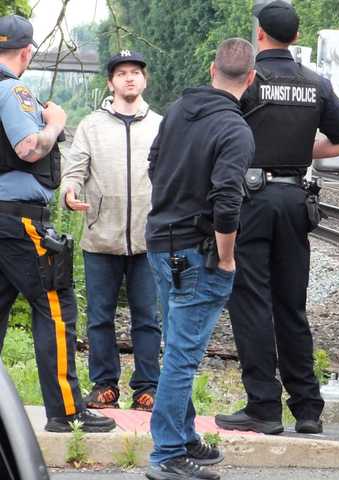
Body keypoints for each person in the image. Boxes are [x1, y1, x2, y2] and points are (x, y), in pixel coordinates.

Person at [214, 1, 339, 436]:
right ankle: (307, 409)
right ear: (296, 38)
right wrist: (302, 151)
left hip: (251, 201)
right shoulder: (316, 83)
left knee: (252, 303)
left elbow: (221, 132)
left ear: (259, 34)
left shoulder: (247, 80)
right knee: (291, 307)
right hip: (295, 199)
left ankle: (262, 405)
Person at [144, 38, 256, 480]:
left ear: (212, 70)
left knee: (177, 348)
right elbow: (227, 202)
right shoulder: (236, 130)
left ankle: (183, 435)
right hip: (198, 253)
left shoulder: (174, 112)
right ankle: (167, 455)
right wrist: (226, 258)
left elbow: (154, 165)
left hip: (160, 242)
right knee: (183, 357)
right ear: (249, 79)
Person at [0, 14, 116, 433]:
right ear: (27, 52)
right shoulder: (13, 90)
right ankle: (66, 411)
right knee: (55, 306)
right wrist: (56, 123)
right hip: (20, 221)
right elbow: (29, 148)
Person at [60, 50, 162, 412]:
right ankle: (104, 386)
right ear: (111, 82)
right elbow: (73, 172)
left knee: (147, 318)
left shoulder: (160, 125)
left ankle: (148, 388)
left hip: (149, 239)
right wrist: (69, 193)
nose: (129, 78)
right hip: (100, 238)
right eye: (121, 73)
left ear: (144, 80)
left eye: (135, 72)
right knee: (100, 317)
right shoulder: (91, 125)